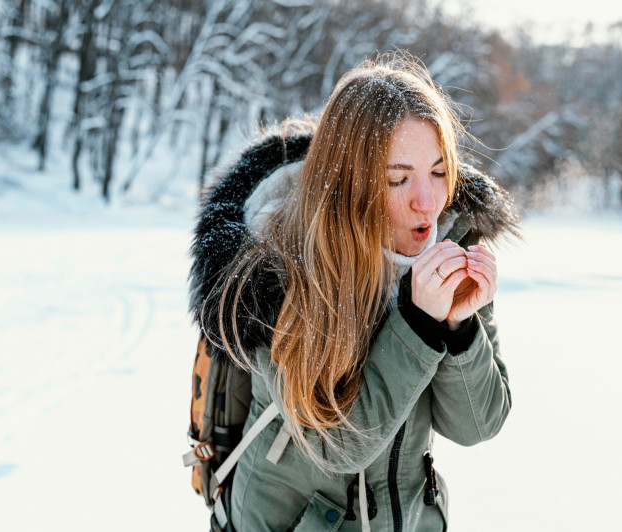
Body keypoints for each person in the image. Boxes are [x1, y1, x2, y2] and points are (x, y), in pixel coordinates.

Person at [189, 55, 519, 532]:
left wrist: (459, 327)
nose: (426, 201)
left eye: (440, 171)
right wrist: (419, 325)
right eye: (397, 179)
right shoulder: (277, 266)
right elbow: (334, 445)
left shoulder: (452, 243)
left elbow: (478, 425)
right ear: (347, 183)